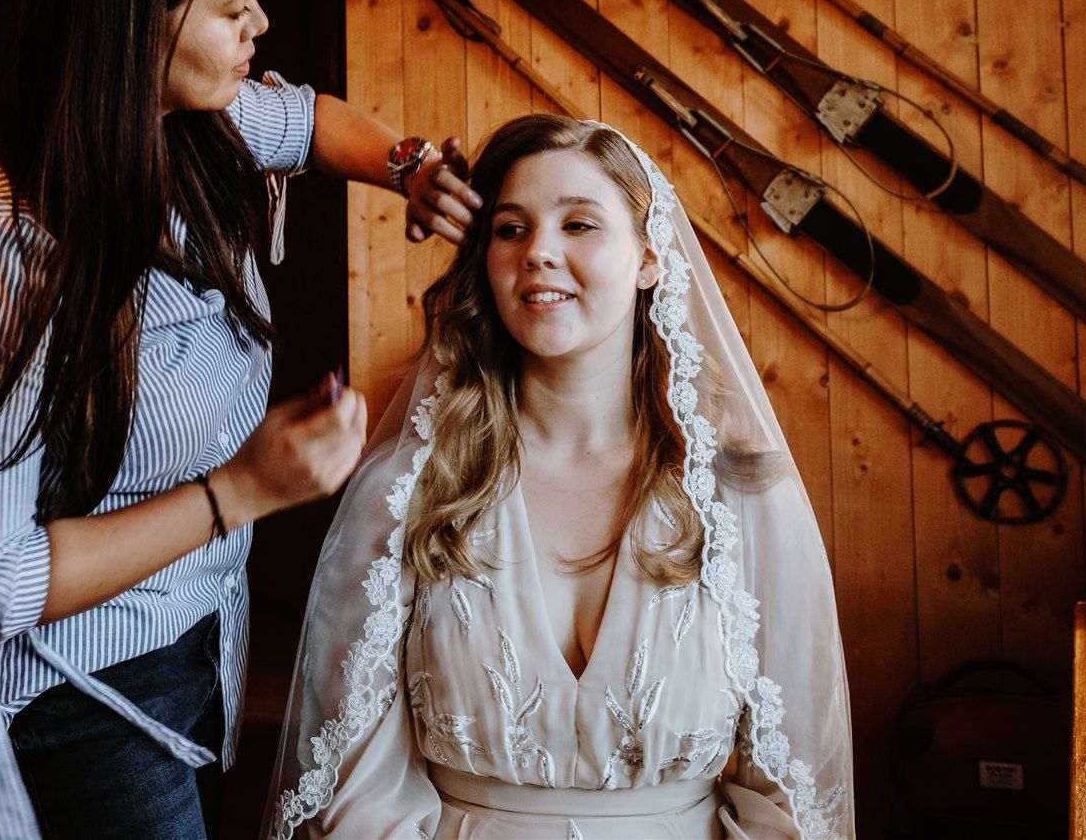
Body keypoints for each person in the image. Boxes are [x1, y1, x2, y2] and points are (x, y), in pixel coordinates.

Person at [0, 0, 480, 839]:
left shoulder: (183, 120)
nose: (261, 25)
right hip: (67, 698)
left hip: (192, 639)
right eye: (234, 9)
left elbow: (305, 120)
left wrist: (407, 165)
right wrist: (240, 490)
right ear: (130, 25)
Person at [267, 113, 853, 839]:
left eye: (579, 225)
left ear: (649, 256)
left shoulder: (743, 495)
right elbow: (354, 784)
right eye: (510, 229)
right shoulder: (410, 487)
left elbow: (791, 794)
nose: (538, 251)